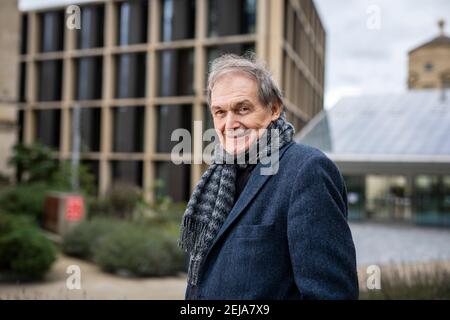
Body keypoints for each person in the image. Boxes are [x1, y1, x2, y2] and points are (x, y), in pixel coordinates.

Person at [178, 54, 358, 300]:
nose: (229, 123)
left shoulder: (307, 171)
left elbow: (331, 295)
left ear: (274, 109)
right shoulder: (217, 178)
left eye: (242, 109)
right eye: (219, 112)